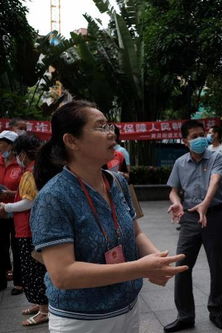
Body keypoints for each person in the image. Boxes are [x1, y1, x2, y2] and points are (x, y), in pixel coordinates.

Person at [30, 100, 188, 333]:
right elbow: (63, 275)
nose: (110, 132)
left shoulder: (118, 182)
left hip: (127, 308)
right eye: (100, 126)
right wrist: (141, 268)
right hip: (81, 320)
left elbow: (136, 233)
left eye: (109, 125)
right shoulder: (53, 197)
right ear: (71, 141)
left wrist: (158, 261)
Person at [164, 120, 222, 332]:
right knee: (182, 266)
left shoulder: (217, 156)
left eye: (202, 134)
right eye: (194, 136)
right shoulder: (180, 163)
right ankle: (185, 315)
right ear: (185, 141)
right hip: (190, 218)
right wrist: (176, 202)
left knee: (217, 266)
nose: (200, 139)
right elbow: (173, 190)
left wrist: (205, 205)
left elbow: (215, 181)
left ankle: (216, 311)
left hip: (214, 216)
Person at [0, 134, 48, 326]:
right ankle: (40, 303)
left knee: (34, 269)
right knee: (34, 269)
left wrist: (6, 207)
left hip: (28, 228)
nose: (15, 157)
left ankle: (44, 310)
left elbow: (30, 201)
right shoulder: (36, 169)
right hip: (27, 227)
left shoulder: (30, 172)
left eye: (16, 153)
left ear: (23, 153)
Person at [0, 130, 23, 295]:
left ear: (11, 145)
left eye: (2, 142)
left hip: (17, 211)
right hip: (0, 210)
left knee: (17, 246)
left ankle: (19, 282)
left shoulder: (21, 164)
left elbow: (28, 193)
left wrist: (10, 194)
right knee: (1, 245)